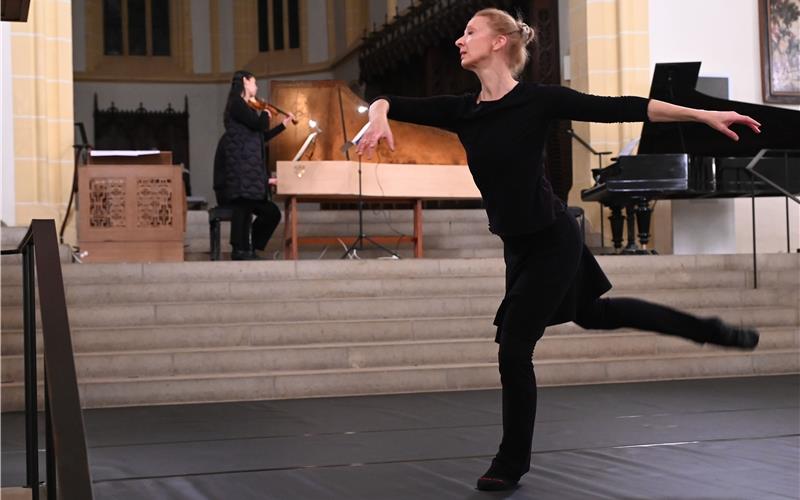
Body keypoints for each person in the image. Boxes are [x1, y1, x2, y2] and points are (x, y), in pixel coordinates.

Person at [357, 8, 762, 492]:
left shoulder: (539, 100)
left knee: (513, 347)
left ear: (500, 43)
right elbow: (385, 100)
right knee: (593, 314)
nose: (460, 42)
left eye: (470, 33)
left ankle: (511, 463)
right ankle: (707, 329)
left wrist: (704, 113)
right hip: (520, 247)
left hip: (553, 238)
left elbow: (625, 105)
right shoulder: (462, 110)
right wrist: (379, 113)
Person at [214, 70, 295, 260]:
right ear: (245, 81)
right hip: (240, 171)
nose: (257, 87)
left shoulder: (246, 109)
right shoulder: (237, 104)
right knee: (243, 207)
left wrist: (283, 125)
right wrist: (266, 112)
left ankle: (252, 246)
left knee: (272, 213)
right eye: (254, 82)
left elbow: (260, 136)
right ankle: (240, 250)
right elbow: (259, 125)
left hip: (249, 173)